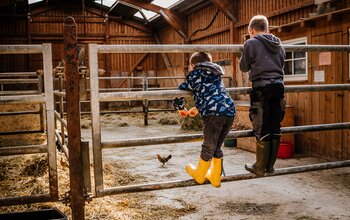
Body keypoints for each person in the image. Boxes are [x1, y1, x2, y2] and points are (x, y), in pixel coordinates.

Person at [178, 52, 236, 188]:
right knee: (216, 146)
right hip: (229, 110)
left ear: (194, 65)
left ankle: (199, 175)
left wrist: (180, 107)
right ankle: (215, 177)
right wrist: (197, 108)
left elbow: (180, 91)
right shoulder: (216, 74)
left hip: (213, 113)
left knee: (208, 146)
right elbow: (211, 93)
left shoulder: (195, 75)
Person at [239, 15, 286, 176]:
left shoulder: (251, 43)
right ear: (267, 28)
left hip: (261, 88)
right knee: (275, 125)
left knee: (261, 125)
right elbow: (281, 63)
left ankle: (259, 166)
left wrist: (243, 51)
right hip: (279, 87)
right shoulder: (279, 44)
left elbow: (244, 67)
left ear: (252, 30)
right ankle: (270, 167)